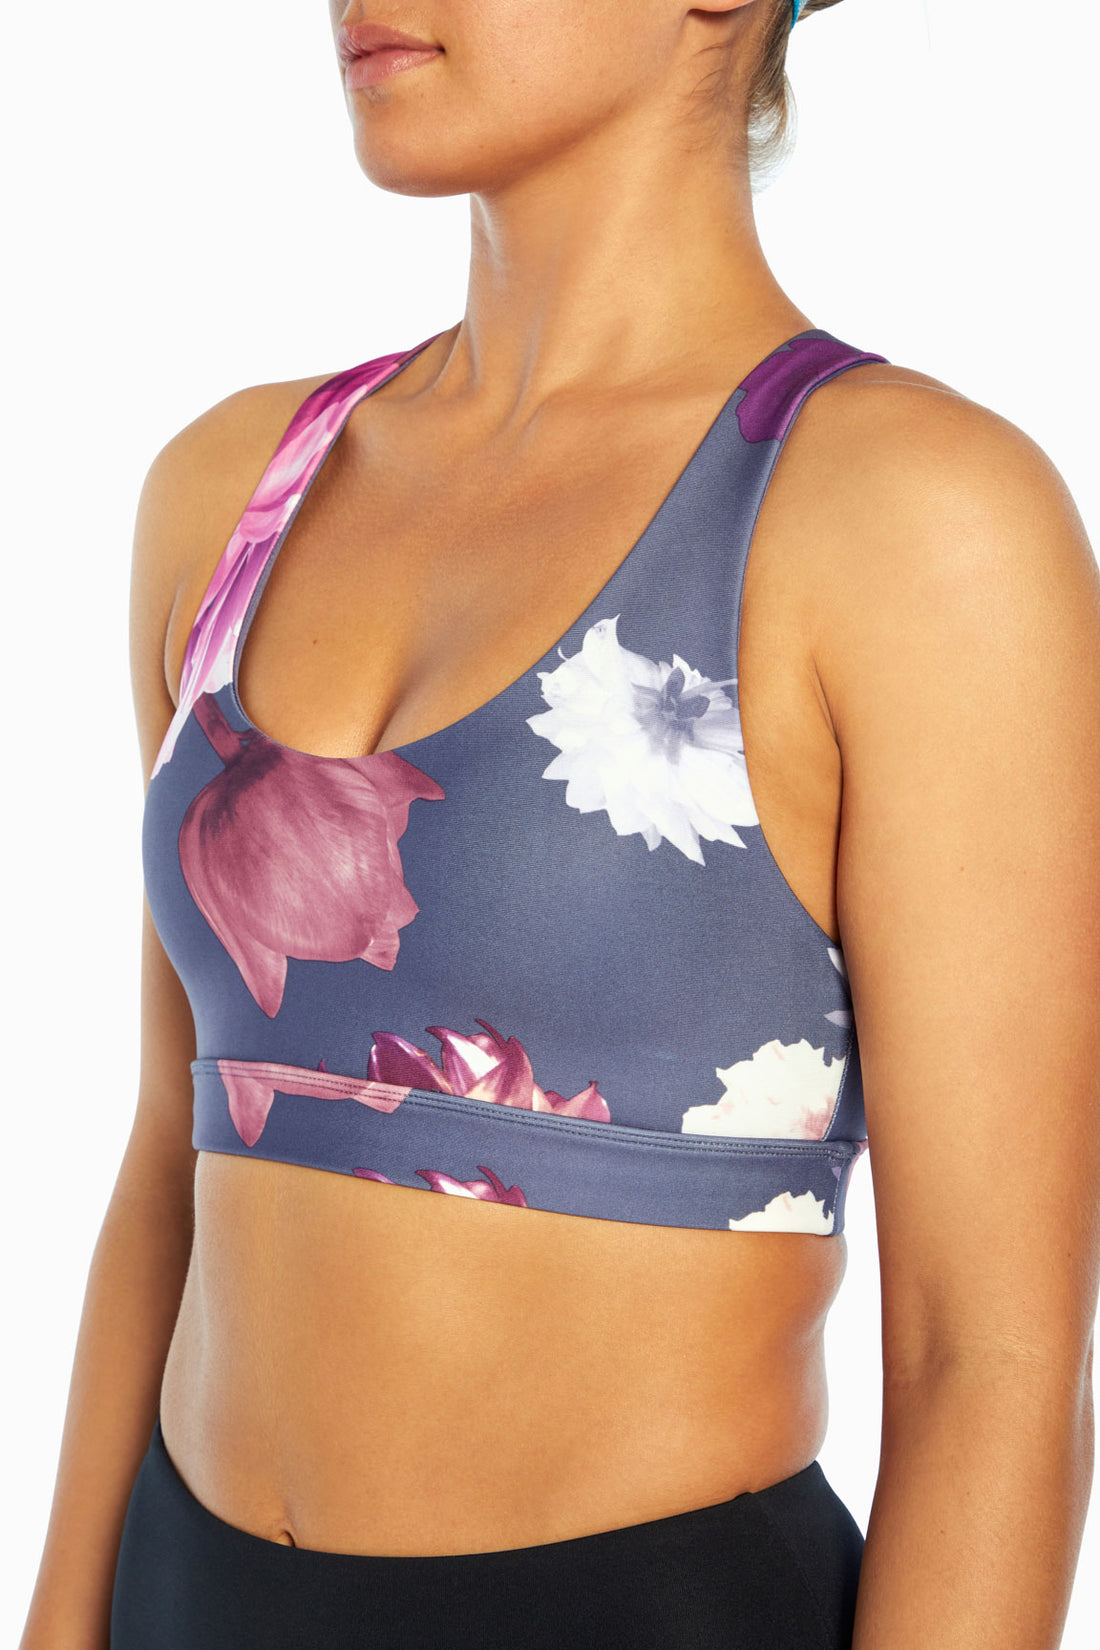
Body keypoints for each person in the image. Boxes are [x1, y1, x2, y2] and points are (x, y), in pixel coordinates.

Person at [19, 2, 1100, 1647]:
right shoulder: (230, 490)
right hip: (187, 1585)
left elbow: (988, 1358)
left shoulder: (911, 522)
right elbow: (174, 1151)